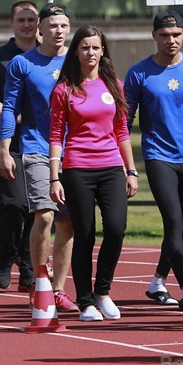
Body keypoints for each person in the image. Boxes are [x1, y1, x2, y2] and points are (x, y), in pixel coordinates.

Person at [49, 25, 138, 321]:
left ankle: (103, 291)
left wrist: (131, 170)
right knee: (84, 234)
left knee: (115, 228)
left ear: (103, 51)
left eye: (96, 47)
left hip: (111, 166)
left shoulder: (113, 84)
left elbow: (122, 130)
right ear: (76, 51)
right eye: (85, 47)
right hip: (77, 168)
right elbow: (55, 134)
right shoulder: (64, 89)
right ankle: (85, 301)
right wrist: (54, 176)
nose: (91, 52)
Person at [0, 2, 78, 312]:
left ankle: (58, 289)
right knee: (45, 215)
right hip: (36, 147)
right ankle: (38, 281)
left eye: (63, 25)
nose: (58, 31)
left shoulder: (79, 59)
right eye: (52, 25)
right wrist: (5, 150)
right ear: (40, 29)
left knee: (68, 222)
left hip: (75, 150)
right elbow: (9, 108)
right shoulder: (22, 63)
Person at [124, 10, 183, 309]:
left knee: (181, 227)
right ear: (154, 36)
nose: (171, 40)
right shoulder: (139, 72)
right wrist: (127, 165)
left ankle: (158, 280)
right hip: (159, 156)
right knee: (172, 222)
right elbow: (124, 120)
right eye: (165, 35)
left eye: (177, 35)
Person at [0, 0, 38, 291]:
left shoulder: (50, 56)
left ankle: (28, 266)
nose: (27, 24)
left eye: (32, 19)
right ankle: (6, 258)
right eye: (22, 20)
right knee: (13, 204)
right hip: (8, 140)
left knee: (35, 207)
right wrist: (14, 114)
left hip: (40, 141)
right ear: (12, 23)